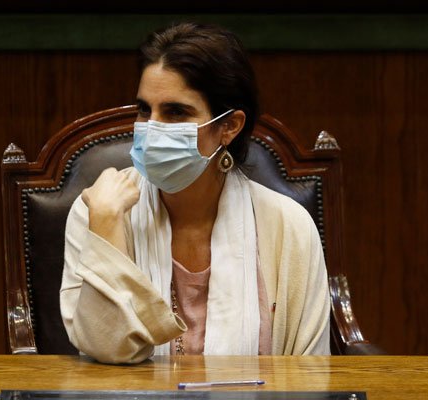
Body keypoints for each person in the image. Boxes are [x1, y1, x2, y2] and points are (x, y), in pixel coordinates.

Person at [60, 22, 330, 364]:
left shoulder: (288, 226)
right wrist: (108, 228)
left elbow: (310, 373)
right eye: (145, 109)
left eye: (175, 112)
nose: (151, 128)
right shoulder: (97, 210)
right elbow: (107, 353)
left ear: (229, 126)